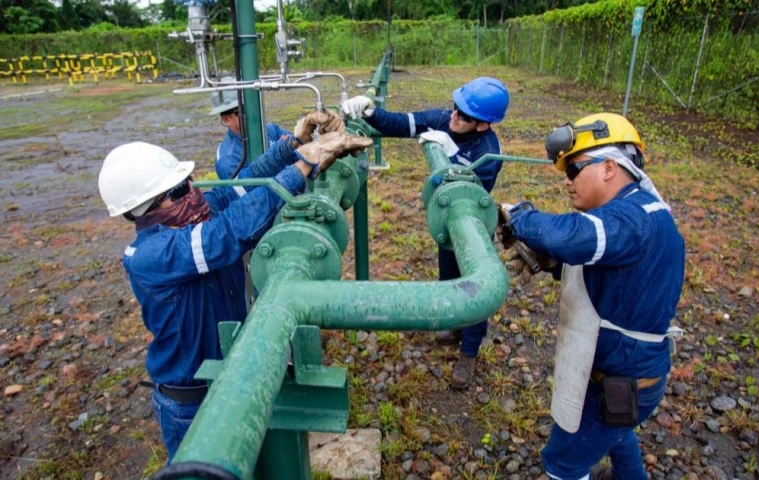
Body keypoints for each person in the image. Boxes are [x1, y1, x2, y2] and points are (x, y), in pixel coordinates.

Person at [97, 129, 371, 464]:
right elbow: (228, 234)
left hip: (228, 375)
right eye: (182, 188)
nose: (195, 192)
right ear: (146, 209)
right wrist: (302, 168)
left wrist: (293, 144)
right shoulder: (150, 255)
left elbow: (248, 184)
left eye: (190, 181)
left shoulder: (188, 212)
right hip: (191, 402)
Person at [497, 113, 685, 480]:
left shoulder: (631, 219)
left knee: (562, 461)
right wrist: (555, 264)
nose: (567, 182)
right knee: (615, 431)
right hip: (627, 374)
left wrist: (518, 216)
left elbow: (573, 236)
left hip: (620, 377)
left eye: (574, 170)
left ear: (610, 167)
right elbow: (610, 272)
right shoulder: (638, 211)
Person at [340, 77, 510, 389]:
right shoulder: (446, 119)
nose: (455, 116)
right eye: (456, 108)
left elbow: (472, 187)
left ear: (484, 125)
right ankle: (456, 324)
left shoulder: (489, 152)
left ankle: (469, 350)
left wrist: (452, 155)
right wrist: (369, 112)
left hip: (472, 226)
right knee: (447, 274)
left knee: (475, 282)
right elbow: (400, 123)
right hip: (447, 221)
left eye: (465, 116)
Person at [210, 77, 343, 181]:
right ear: (226, 119)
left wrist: (320, 131)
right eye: (244, 109)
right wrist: (281, 151)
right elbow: (250, 199)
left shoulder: (270, 130)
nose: (253, 113)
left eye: (254, 106)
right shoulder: (227, 159)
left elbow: (303, 146)